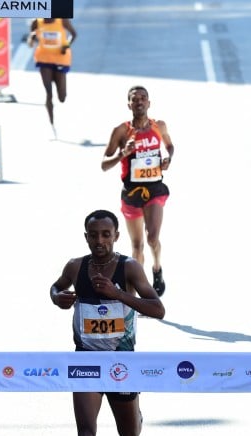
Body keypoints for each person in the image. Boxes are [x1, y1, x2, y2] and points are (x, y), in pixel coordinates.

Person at [49, 209, 166, 436]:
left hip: (121, 364)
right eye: (93, 235)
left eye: (105, 234)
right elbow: (56, 288)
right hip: (85, 362)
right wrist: (58, 297)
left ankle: (136, 411)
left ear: (116, 236)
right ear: (85, 237)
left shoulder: (129, 268)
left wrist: (118, 295)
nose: (99, 241)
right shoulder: (76, 267)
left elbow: (157, 308)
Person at [101, 85, 175, 298]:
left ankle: (157, 268)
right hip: (132, 192)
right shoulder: (121, 131)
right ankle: (139, 289)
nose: (139, 102)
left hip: (155, 188)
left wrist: (168, 158)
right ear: (129, 105)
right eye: (135, 99)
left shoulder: (159, 126)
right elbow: (104, 164)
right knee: (137, 246)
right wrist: (123, 154)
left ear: (149, 103)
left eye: (143, 98)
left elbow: (169, 146)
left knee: (152, 237)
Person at [26, 17, 77, 137]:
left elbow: (74, 34)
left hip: (61, 59)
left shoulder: (62, 20)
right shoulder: (36, 22)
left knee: (62, 97)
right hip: (44, 59)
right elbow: (29, 43)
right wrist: (31, 38)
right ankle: (52, 124)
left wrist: (67, 45)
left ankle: (53, 120)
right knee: (48, 93)